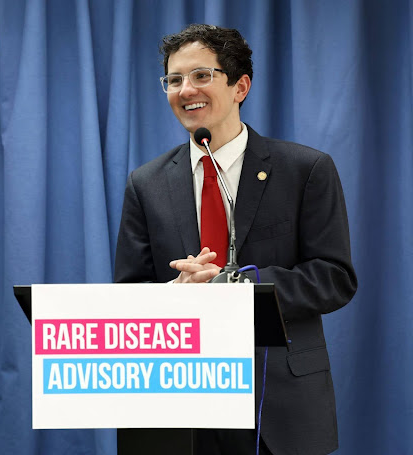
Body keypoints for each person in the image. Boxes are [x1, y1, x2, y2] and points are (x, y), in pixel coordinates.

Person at [114, 24, 357, 455]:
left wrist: (238, 286)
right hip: (180, 402)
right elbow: (129, 292)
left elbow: (333, 277)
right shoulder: (145, 184)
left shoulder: (306, 170)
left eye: (201, 75)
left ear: (240, 85)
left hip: (278, 405)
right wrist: (176, 292)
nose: (185, 90)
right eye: (174, 80)